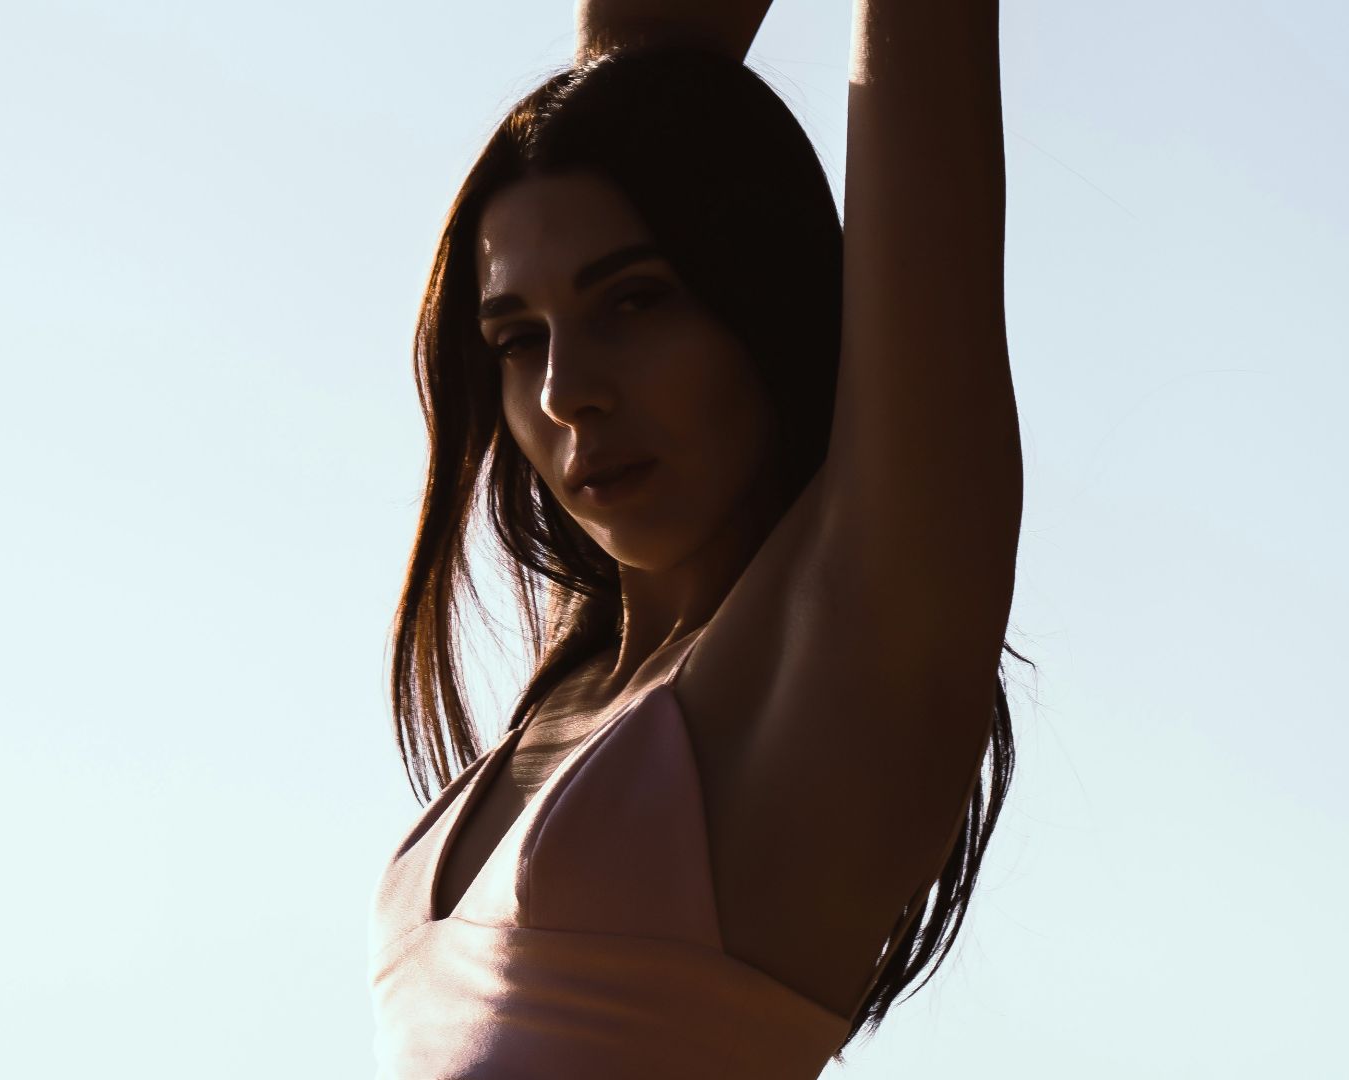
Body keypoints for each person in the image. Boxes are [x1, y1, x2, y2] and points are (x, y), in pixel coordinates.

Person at [369, 1, 1028, 1074]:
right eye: (517, 336)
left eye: (635, 301)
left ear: (762, 298)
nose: (566, 392)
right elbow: (635, 71)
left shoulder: (844, 658)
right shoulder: (591, 675)